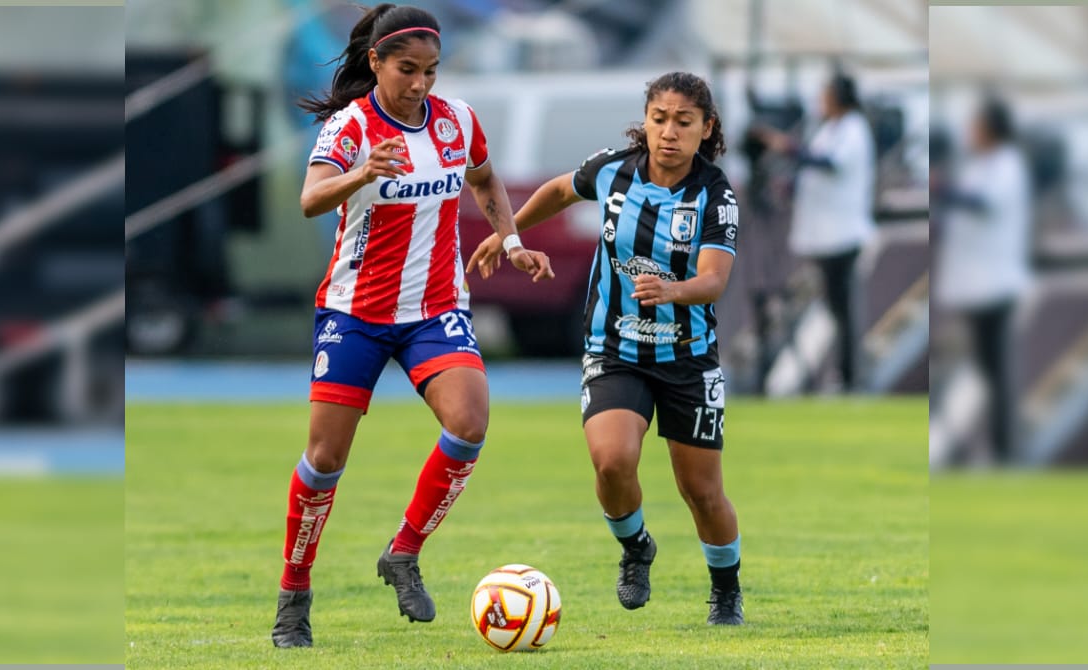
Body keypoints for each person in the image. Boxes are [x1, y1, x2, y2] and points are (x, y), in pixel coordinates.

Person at [270, 4, 553, 648]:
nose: (421, 84)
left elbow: (484, 181)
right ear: (375, 63)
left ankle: (403, 551)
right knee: (324, 459)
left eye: (430, 70)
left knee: (470, 423)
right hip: (355, 313)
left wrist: (510, 243)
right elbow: (311, 198)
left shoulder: (457, 122)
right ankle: (294, 592)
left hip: (435, 310)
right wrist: (362, 171)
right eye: (407, 70)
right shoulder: (352, 126)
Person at [468, 72, 744, 625]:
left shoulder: (716, 195)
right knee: (613, 461)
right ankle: (637, 547)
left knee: (702, 492)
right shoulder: (613, 169)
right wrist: (510, 233)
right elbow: (556, 190)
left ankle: (725, 591)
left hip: (688, 358)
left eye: (683, 122)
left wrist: (673, 290)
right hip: (613, 347)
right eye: (659, 118)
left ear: (706, 128)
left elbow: (714, 280)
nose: (669, 132)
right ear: (645, 121)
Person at [754, 73, 875, 391]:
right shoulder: (831, 129)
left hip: (842, 233)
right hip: (826, 234)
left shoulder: (853, 129)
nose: (821, 100)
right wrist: (788, 185)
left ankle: (850, 377)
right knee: (835, 308)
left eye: (826, 93)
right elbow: (814, 174)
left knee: (843, 308)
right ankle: (845, 373)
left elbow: (828, 163)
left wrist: (785, 146)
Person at [932, 96, 1030, 463]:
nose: (969, 132)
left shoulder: (1008, 164)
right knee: (986, 372)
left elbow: (983, 202)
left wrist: (941, 189)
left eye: (975, 125)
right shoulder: (980, 165)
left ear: (990, 128)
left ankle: (1006, 450)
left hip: (997, 284)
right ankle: (990, 446)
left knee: (998, 371)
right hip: (976, 283)